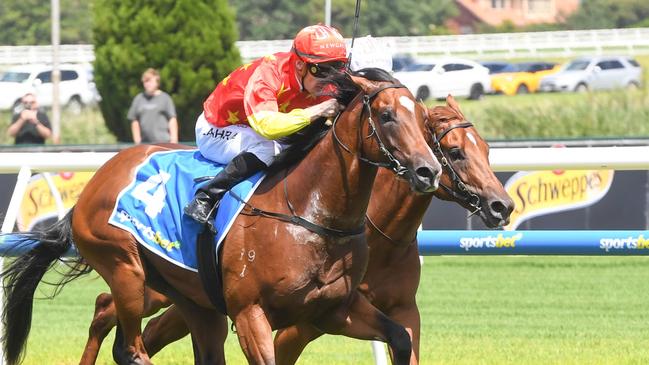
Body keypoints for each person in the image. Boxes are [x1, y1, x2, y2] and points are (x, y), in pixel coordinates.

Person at [184, 24, 347, 226]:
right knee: (269, 148)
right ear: (300, 65)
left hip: (252, 131)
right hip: (217, 129)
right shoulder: (269, 72)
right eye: (322, 70)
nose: (330, 79)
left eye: (337, 69)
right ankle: (206, 197)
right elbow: (267, 128)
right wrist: (318, 110)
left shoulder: (322, 81)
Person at [127, 68, 178, 144]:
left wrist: (174, 141)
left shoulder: (165, 98)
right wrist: (137, 141)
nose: (148, 84)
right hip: (145, 145)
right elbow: (134, 121)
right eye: (145, 81)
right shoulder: (138, 99)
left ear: (157, 82)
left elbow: (172, 119)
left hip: (164, 144)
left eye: (150, 81)